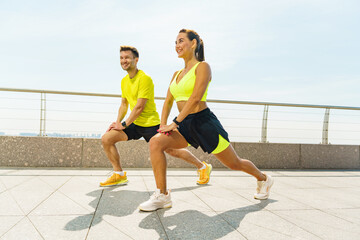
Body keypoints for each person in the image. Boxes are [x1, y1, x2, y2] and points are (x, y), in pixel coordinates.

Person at [139, 30, 274, 211]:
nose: (177, 45)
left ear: (193, 43)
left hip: (203, 123)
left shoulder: (203, 67)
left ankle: (263, 178)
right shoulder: (176, 74)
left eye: (181, 41)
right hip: (184, 124)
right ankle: (162, 195)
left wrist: (175, 123)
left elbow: (195, 98)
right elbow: (168, 101)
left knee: (234, 163)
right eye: (175, 42)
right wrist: (163, 125)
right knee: (156, 143)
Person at [100, 45, 212, 187]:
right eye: (121, 58)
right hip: (134, 123)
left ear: (136, 59)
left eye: (127, 57)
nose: (124, 60)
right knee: (107, 139)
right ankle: (119, 175)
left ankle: (203, 167)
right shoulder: (124, 81)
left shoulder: (144, 79)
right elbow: (124, 104)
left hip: (150, 123)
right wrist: (117, 123)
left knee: (172, 150)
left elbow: (139, 107)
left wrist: (123, 125)